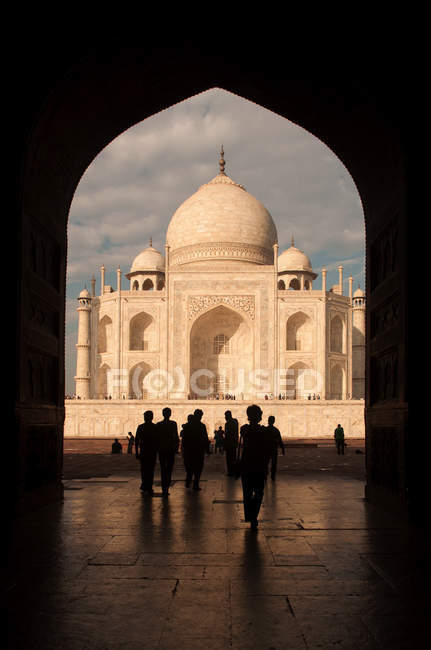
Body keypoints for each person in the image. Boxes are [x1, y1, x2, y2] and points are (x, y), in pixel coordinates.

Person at [236, 404, 272, 531]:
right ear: (257, 415)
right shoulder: (263, 431)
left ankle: (250, 516)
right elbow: (266, 450)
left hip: (246, 464)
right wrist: (266, 465)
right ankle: (254, 517)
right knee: (258, 492)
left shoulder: (244, 429)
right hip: (258, 465)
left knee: (247, 493)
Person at [181, 409, 210, 490]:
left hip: (189, 450)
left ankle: (188, 480)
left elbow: (184, 438)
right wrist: (207, 450)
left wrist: (183, 449)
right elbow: (205, 438)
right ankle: (195, 484)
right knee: (198, 468)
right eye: (200, 416)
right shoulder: (201, 426)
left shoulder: (188, 426)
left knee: (189, 467)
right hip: (198, 450)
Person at [156, 407, 179, 496]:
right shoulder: (173, 424)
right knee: (169, 468)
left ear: (163, 414)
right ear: (170, 414)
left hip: (162, 449)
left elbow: (156, 438)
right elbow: (176, 436)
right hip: (170, 449)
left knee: (163, 468)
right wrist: (176, 448)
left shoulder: (159, 424)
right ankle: (166, 487)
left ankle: (164, 488)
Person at [135, 411, 159, 494]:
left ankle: (145, 485)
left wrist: (137, 453)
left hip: (144, 451)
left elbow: (137, 440)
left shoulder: (141, 427)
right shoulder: (154, 427)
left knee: (144, 469)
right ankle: (148, 486)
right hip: (151, 451)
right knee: (150, 470)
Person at [265, 415, 285, 480]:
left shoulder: (265, 430)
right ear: (274, 421)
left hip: (267, 449)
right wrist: (282, 449)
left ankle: (265, 475)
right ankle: (272, 476)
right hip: (273, 449)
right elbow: (280, 440)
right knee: (273, 463)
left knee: (266, 463)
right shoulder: (276, 430)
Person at [223, 410, 239, 476]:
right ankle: (234, 471)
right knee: (233, 457)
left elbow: (227, 434)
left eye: (225, 416)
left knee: (229, 458)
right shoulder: (235, 421)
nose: (225, 417)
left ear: (228, 416)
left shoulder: (228, 423)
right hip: (234, 443)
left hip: (229, 443)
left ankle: (230, 472)